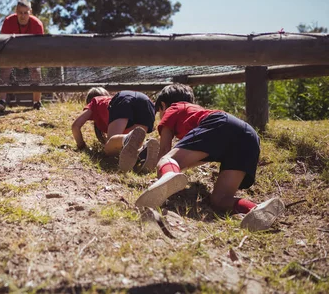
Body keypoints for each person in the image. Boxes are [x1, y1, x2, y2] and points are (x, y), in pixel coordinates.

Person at [135, 83, 285, 232]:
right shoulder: (198, 115)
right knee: (220, 200)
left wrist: (159, 174)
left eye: (159, 112)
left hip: (222, 123)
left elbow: (165, 150)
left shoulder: (173, 108)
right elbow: (200, 155)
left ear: (163, 105)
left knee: (167, 160)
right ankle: (257, 210)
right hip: (249, 136)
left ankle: (168, 175)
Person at [71, 87, 159, 173]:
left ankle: (126, 139)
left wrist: (81, 145)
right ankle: (144, 151)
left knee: (109, 148)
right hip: (146, 101)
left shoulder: (95, 102)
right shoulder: (112, 101)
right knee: (136, 142)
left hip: (125, 100)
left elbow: (75, 126)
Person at [0, 0, 45, 112]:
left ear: (30, 12)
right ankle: (1, 101)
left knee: (36, 71)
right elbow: (4, 44)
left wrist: (27, 60)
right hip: (11, 53)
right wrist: (14, 59)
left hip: (31, 53)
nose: (23, 16)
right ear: (16, 11)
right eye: (20, 12)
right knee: (4, 69)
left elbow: (39, 47)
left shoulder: (37, 24)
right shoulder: (8, 21)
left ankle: (37, 102)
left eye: (25, 13)